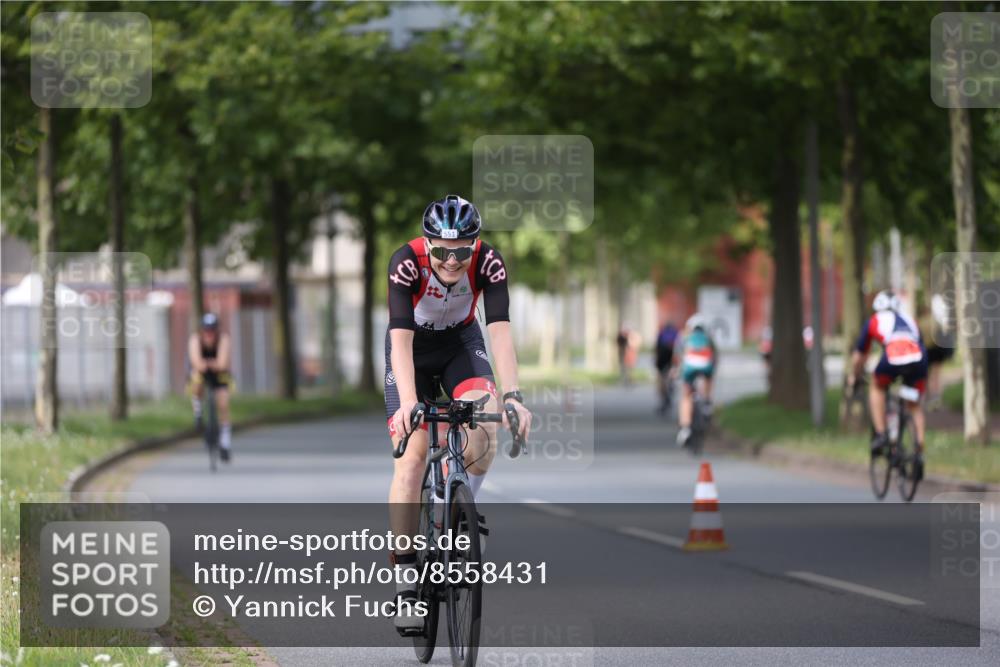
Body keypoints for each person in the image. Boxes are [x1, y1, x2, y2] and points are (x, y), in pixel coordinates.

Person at [385, 194, 531, 633]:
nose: (452, 260)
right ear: (427, 244)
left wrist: (514, 395)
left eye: (461, 251)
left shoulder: (489, 263)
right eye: (442, 251)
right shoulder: (405, 263)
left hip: (462, 345)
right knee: (411, 458)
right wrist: (409, 403)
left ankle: (458, 515)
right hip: (413, 351)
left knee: (485, 432)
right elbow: (399, 343)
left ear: (476, 244)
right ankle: (406, 584)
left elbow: (500, 334)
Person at [847, 289, 927, 479]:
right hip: (918, 360)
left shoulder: (874, 320)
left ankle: (882, 434)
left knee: (877, 386)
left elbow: (859, 356)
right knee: (914, 406)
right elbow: (919, 343)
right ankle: (919, 453)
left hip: (893, 357)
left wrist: (854, 376)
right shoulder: (910, 320)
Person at [188, 312, 233, 461]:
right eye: (207, 330)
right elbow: (196, 362)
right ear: (202, 330)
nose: (209, 333)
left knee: (223, 403)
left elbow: (223, 363)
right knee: (196, 382)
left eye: (212, 330)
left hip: (219, 374)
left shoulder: (223, 339)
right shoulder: (195, 340)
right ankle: (198, 411)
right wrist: (208, 364)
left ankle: (225, 443)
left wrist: (211, 364)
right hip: (202, 372)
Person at [674, 314, 717, 447]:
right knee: (708, 378)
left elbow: (677, 356)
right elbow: (715, 356)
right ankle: (707, 403)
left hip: (689, 367)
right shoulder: (708, 338)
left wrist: (675, 370)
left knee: (686, 395)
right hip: (706, 364)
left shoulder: (683, 336)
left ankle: (685, 429)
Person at [655, 319, 679, 415]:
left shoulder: (661, 333)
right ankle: (671, 384)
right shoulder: (676, 333)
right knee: (671, 374)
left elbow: (656, 347)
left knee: (661, 378)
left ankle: (664, 396)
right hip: (673, 356)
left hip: (662, 356)